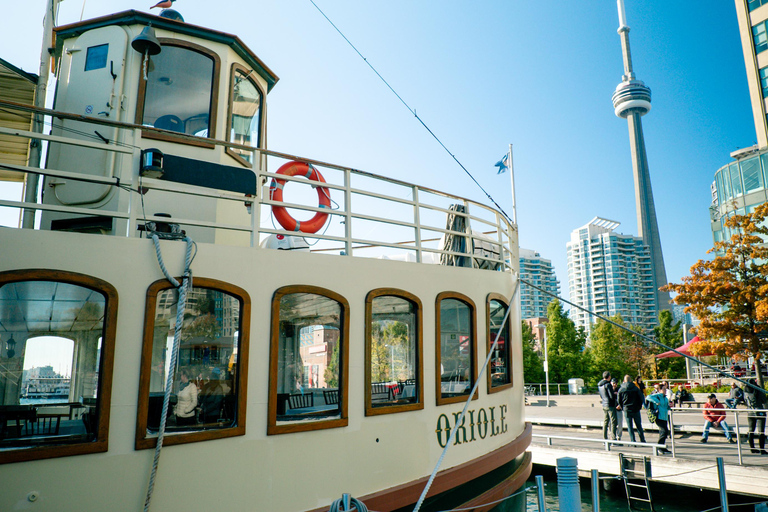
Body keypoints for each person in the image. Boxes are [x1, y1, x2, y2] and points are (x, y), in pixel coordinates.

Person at [618, 374, 646, 444]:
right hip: (636, 408)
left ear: (624, 381)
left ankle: (633, 441)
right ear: (631, 380)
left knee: (630, 426)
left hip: (626, 409)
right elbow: (641, 398)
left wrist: (622, 407)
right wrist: (639, 406)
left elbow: (619, 400)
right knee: (639, 425)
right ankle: (642, 440)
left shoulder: (621, 389)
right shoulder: (635, 388)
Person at [646, 382, 671, 453]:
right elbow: (648, 397)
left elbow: (666, 406)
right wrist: (656, 401)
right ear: (660, 390)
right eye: (663, 389)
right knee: (664, 431)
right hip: (658, 416)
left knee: (663, 432)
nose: (665, 391)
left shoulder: (665, 398)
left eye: (665, 389)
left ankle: (662, 447)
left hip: (664, 416)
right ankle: (659, 446)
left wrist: (669, 407)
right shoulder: (657, 396)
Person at [744, 379, 768, 454]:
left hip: (750, 412)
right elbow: (764, 400)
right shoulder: (758, 389)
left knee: (751, 430)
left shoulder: (745, 390)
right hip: (759, 411)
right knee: (761, 431)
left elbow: (745, 400)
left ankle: (752, 448)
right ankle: (762, 449)